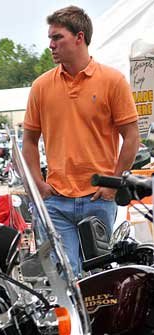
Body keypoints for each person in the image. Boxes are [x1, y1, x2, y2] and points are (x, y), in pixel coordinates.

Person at [22, 5, 140, 274]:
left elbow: (132, 137)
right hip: (55, 201)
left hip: (98, 199)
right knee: (66, 278)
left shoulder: (113, 81)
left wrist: (113, 183)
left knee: (98, 280)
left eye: (57, 37)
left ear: (79, 37)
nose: (50, 45)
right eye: (50, 38)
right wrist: (38, 184)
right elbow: (28, 141)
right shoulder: (41, 86)